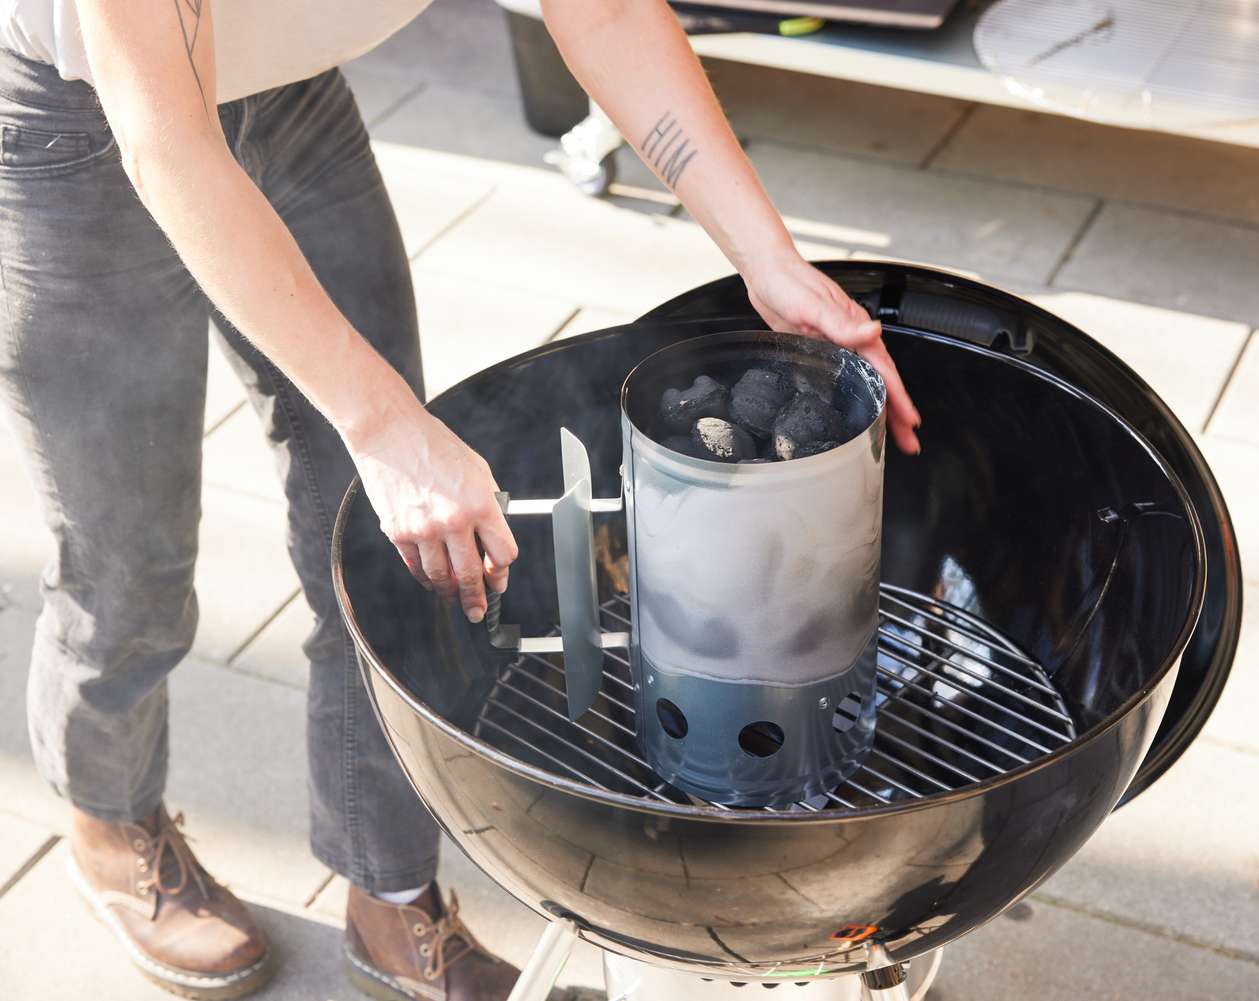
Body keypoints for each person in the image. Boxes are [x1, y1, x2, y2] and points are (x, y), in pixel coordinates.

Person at [0, 0, 921, 998]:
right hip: (82, 124)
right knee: (131, 554)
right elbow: (168, 143)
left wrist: (769, 259)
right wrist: (386, 424)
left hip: (285, 100)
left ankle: (390, 887)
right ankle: (111, 811)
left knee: (375, 548)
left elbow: (603, 10)